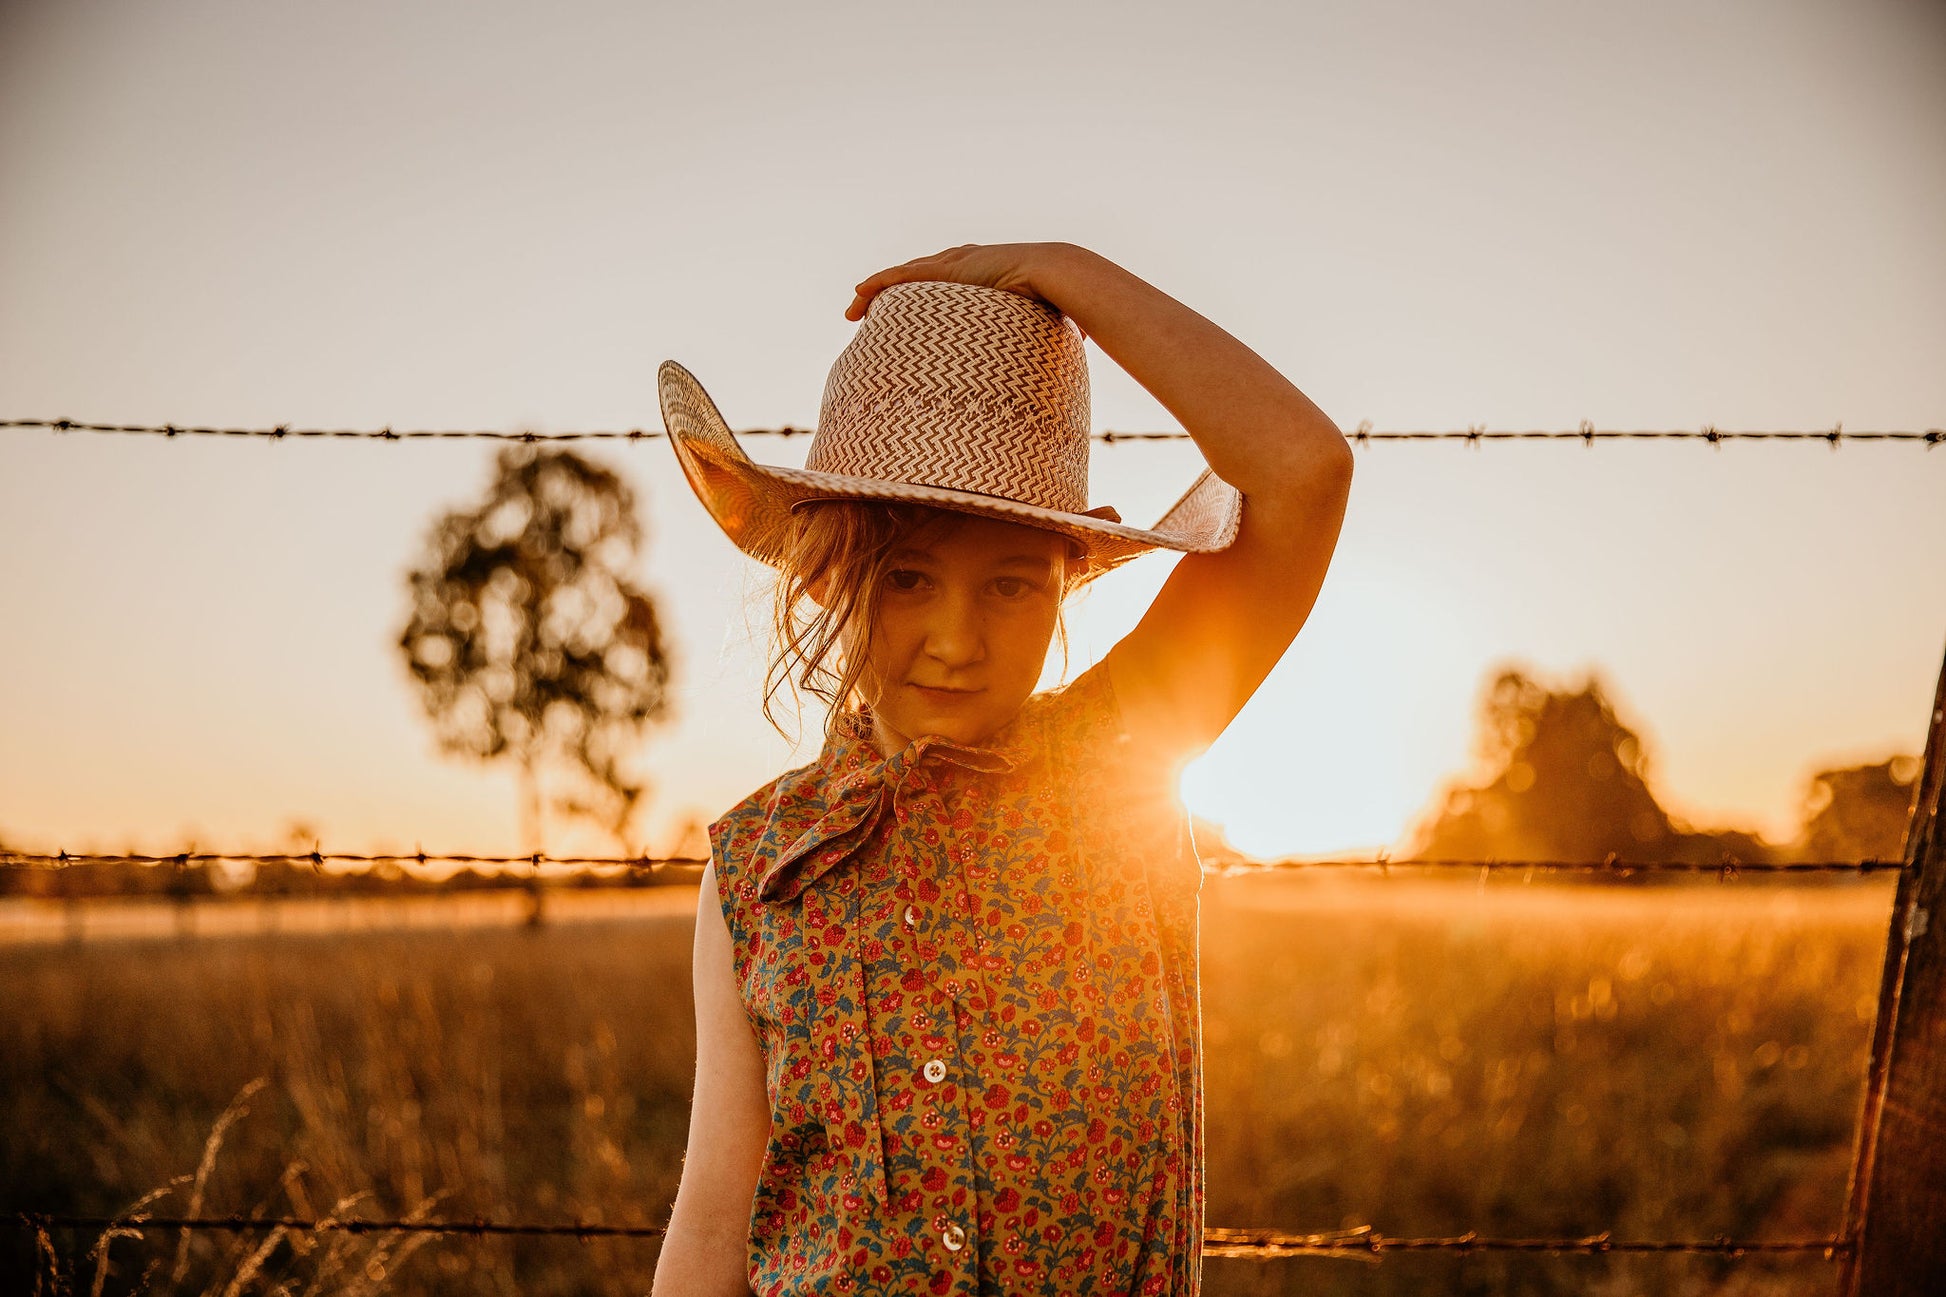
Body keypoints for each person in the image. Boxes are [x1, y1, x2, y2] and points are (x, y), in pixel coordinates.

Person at [649, 242, 1353, 1297]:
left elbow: (1303, 471)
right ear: (830, 568)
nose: (955, 639)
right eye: (907, 577)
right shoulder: (758, 862)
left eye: (1011, 586)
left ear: (1072, 575)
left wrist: (1060, 268)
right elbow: (716, 1218)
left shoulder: (1118, 758)